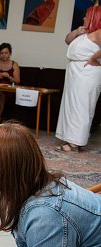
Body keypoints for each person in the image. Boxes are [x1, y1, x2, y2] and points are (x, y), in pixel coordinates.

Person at [56, 2, 101, 152]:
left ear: (93, 17)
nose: (83, 18)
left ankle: (75, 142)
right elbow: (67, 40)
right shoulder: (83, 33)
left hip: (86, 73)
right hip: (75, 71)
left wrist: (94, 57)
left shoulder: (99, 32)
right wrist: (76, 31)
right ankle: (70, 137)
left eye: (86, 16)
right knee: (71, 106)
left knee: (81, 107)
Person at [0, 43, 20, 121]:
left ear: (10, 53)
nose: (4, 55)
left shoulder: (14, 64)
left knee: (2, 94)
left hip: (8, 91)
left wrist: (9, 77)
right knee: (0, 94)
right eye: (1, 53)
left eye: (6, 53)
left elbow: (17, 81)